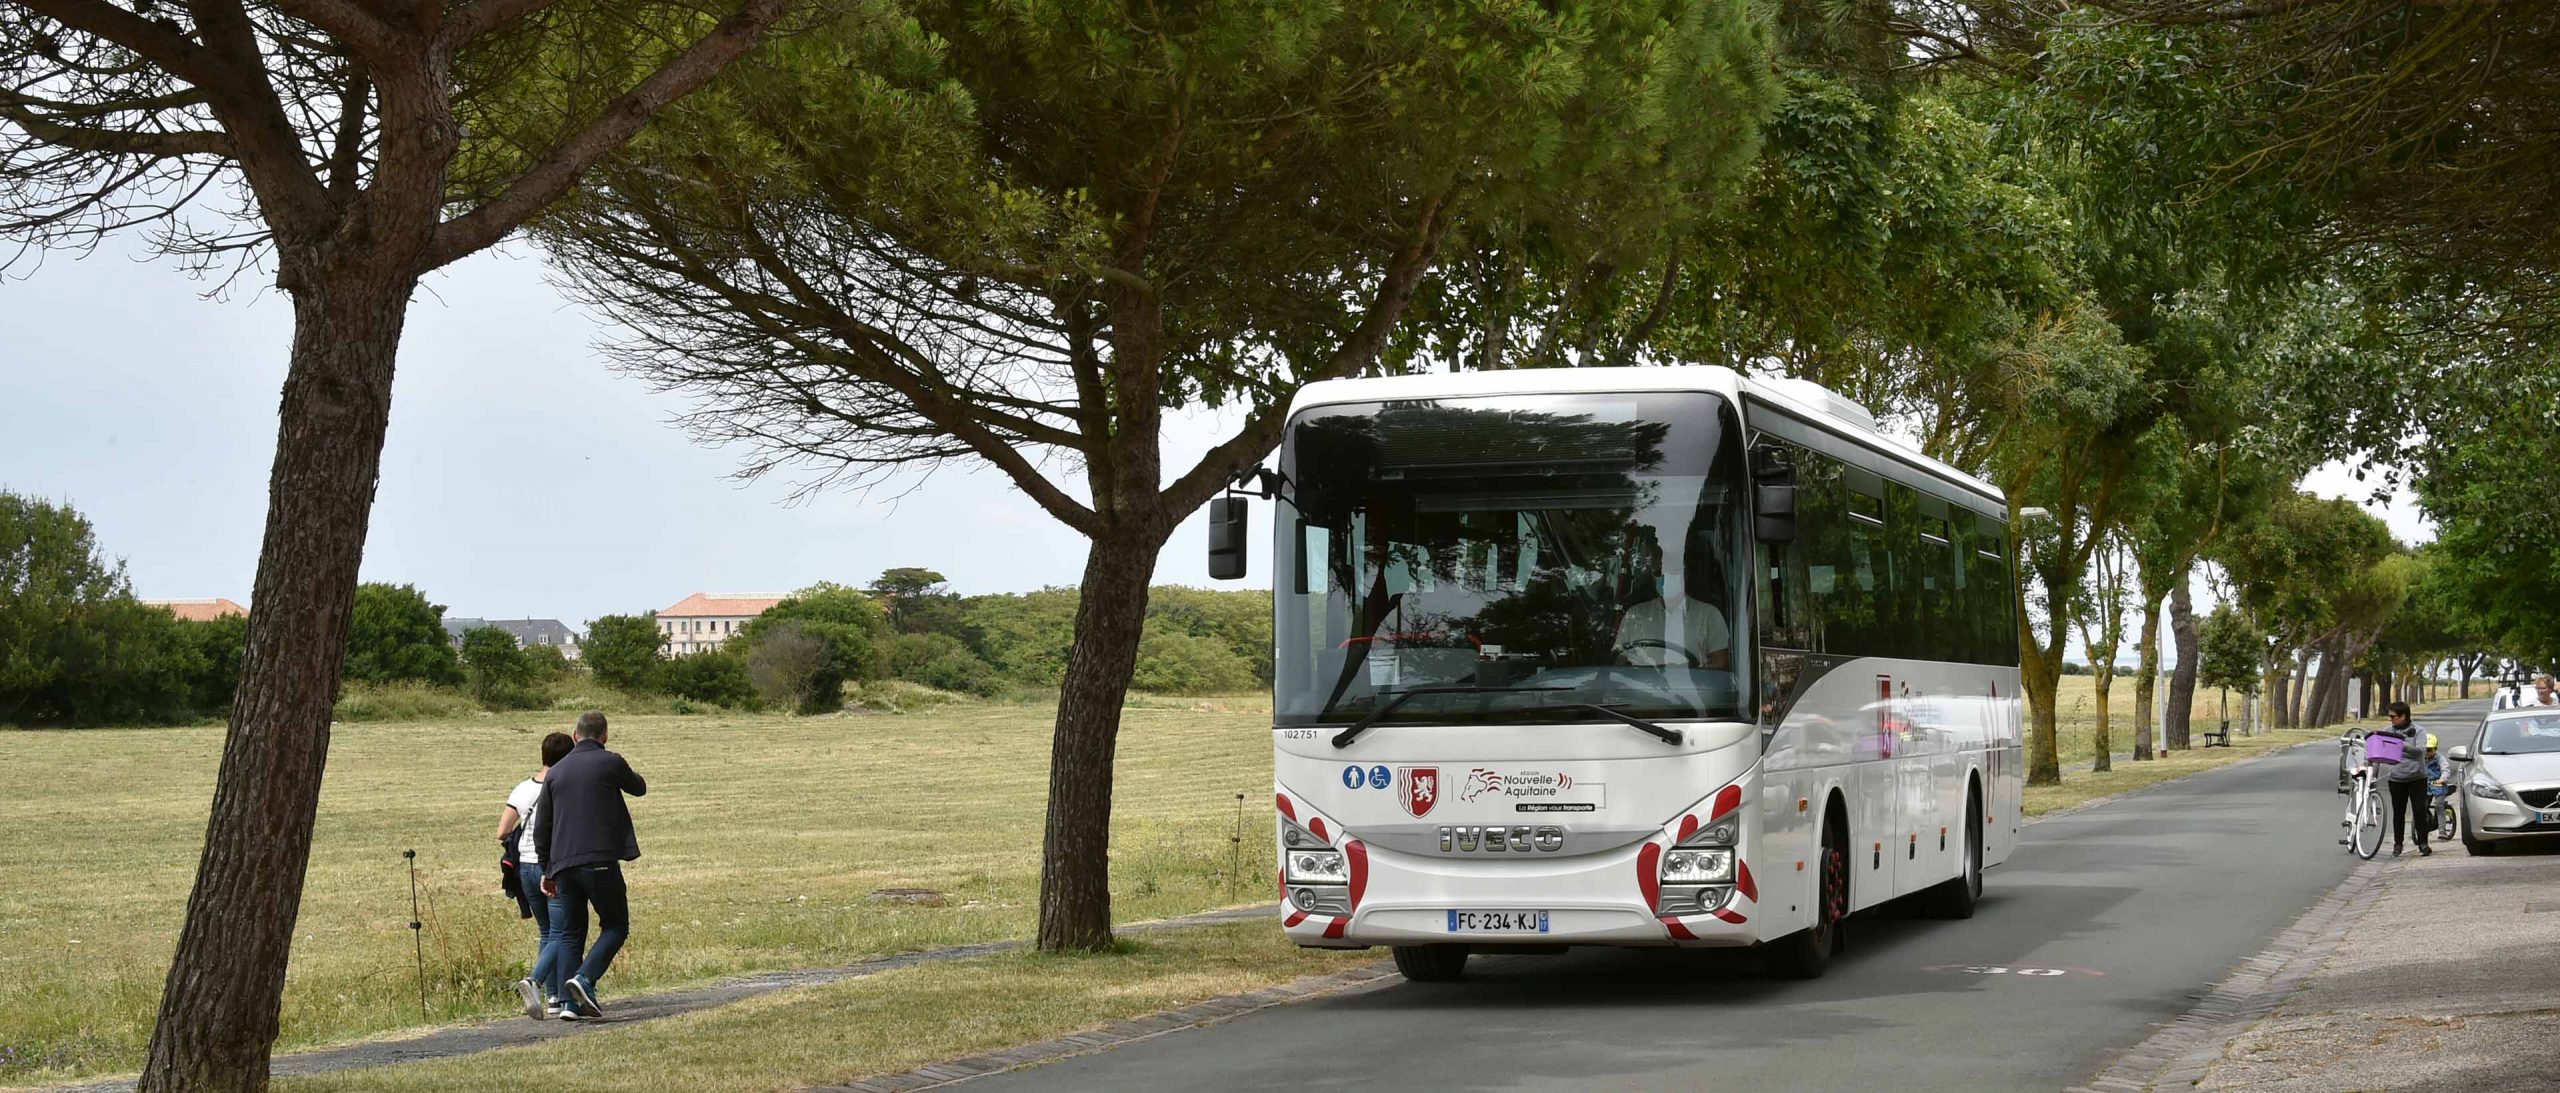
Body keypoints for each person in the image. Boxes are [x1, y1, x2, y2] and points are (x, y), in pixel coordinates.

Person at [535, 711, 647, 1018]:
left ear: (575, 735)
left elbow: (542, 826)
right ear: (605, 735)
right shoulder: (610, 761)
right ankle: (585, 978)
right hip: (598, 860)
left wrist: (547, 869)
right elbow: (639, 787)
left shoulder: (555, 772)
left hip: (562, 865)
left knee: (570, 933)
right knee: (615, 925)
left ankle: (571, 1006)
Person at [504, 732, 575, 1020]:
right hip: (551, 866)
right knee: (563, 931)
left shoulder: (522, 789)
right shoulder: (563, 787)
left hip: (525, 868)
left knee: (546, 932)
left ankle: (554, 999)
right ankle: (535, 982)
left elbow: (502, 830)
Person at [2377, 702, 2432, 857]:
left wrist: (2401, 743)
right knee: (2398, 813)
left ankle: (2423, 843)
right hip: (2396, 778)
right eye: (2390, 717)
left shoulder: (2419, 731)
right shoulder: (2388, 731)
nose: (2391, 720)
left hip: (2417, 778)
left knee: (2419, 812)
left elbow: (2420, 752)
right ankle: (2398, 843)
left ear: (2403, 716)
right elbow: (2383, 751)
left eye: (2393, 717)